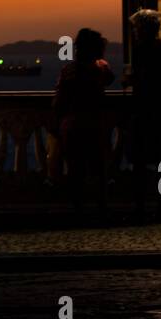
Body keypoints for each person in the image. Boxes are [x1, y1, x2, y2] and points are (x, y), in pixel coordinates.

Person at [52, 27, 115, 218]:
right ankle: (102, 209)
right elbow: (110, 79)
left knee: (75, 170)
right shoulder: (101, 68)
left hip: (72, 125)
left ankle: (78, 210)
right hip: (95, 124)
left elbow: (59, 101)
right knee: (98, 170)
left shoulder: (69, 70)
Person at [124, 9, 161, 223]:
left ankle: (140, 209)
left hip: (143, 111)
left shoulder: (140, 52)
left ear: (144, 29)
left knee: (139, 163)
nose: (135, 33)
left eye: (137, 28)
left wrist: (130, 81)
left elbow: (140, 80)